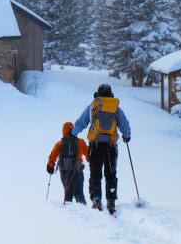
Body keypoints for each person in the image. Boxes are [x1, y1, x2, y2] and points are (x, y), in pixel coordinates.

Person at [70, 83, 131, 214]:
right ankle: (111, 201)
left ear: (97, 94)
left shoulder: (93, 106)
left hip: (95, 146)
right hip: (111, 147)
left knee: (95, 174)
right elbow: (124, 124)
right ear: (110, 94)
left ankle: (96, 199)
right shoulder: (116, 108)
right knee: (111, 174)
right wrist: (127, 136)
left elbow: (82, 122)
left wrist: (73, 133)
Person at [47, 121, 89, 204]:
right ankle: (83, 211)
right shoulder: (80, 142)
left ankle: (68, 212)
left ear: (63, 130)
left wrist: (50, 166)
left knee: (67, 194)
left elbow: (52, 157)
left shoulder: (60, 144)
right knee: (79, 193)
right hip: (77, 171)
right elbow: (89, 155)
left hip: (64, 171)